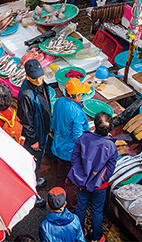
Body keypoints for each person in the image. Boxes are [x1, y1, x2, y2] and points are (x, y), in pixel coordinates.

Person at [69, 112, 118, 242]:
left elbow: (74, 158)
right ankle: (96, 237)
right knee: (97, 211)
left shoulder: (83, 139)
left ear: (95, 126)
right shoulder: (111, 146)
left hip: (82, 182)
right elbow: (110, 169)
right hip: (100, 185)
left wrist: (79, 174)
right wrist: (101, 179)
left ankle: (80, 231)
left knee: (81, 207)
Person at [51, 78, 91, 212]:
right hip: (70, 153)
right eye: (81, 94)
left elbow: (53, 122)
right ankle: (71, 207)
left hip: (57, 147)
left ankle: (56, 200)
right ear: (75, 95)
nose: (82, 96)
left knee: (60, 175)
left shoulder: (59, 102)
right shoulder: (77, 112)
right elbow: (78, 137)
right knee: (72, 182)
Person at [17, 58, 51, 206]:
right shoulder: (26, 94)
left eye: (40, 75)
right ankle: (32, 195)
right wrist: (34, 140)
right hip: (35, 136)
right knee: (33, 163)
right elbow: (26, 121)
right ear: (27, 77)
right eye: (35, 77)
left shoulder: (42, 85)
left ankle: (35, 179)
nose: (39, 80)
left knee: (38, 161)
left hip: (42, 130)